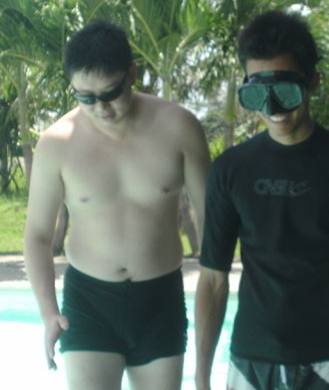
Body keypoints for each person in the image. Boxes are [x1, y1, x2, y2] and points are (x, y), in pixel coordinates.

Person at [194, 10, 329, 390]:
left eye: (286, 92)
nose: (274, 109)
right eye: (258, 94)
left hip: (328, 360)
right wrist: (202, 379)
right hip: (250, 359)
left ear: (312, 81)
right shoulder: (231, 169)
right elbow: (213, 279)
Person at [23, 20, 211, 390]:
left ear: (132, 74)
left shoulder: (179, 127)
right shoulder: (57, 143)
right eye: (86, 97)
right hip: (89, 302)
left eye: (111, 92)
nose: (101, 107)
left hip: (160, 299)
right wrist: (48, 313)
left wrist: (213, 286)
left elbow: (209, 217)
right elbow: (38, 234)